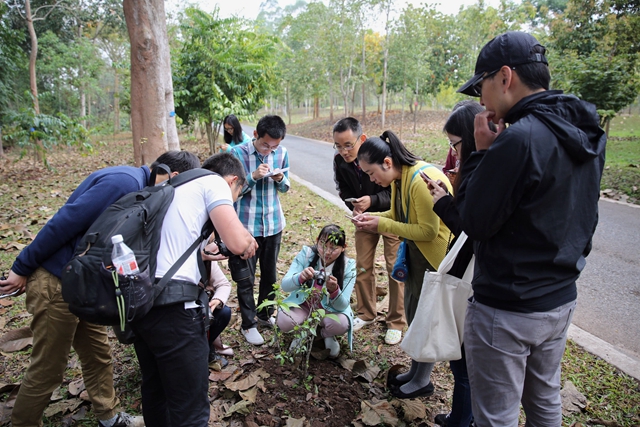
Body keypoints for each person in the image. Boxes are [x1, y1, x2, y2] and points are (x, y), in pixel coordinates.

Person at [455, 31, 606, 426]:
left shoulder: (518, 140)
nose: (481, 101)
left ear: (505, 77)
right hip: (560, 299)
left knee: (497, 416)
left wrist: (480, 154)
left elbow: (474, 221)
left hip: (508, 307)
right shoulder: (585, 130)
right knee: (545, 401)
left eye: (482, 86)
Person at [0, 150, 201, 427]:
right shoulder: (123, 183)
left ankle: (109, 417)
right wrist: (22, 267)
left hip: (85, 286)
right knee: (48, 369)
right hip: (56, 282)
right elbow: (65, 221)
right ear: (172, 176)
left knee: (98, 355)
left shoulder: (140, 189)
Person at [129, 152, 258, 427]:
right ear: (232, 181)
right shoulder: (214, 183)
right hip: (175, 311)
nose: (233, 202)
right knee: (190, 409)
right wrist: (247, 240)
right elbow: (238, 243)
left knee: (156, 389)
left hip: (140, 301)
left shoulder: (173, 189)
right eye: (236, 196)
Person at [352, 131, 452, 399]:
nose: (372, 180)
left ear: (387, 162)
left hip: (434, 259)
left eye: (372, 173)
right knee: (416, 315)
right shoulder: (400, 179)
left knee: (425, 318)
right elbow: (398, 215)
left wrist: (381, 224)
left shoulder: (420, 181)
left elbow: (428, 231)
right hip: (416, 256)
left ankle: (422, 380)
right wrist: (372, 218)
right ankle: (416, 373)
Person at [424, 100, 491, 427]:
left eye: (455, 144)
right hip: (473, 277)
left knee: (464, 363)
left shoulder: (484, 171)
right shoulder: (485, 167)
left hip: (473, 280)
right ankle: (463, 416)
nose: (453, 153)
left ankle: (462, 420)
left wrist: (443, 203)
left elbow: (471, 228)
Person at [332, 117, 405, 345]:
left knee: (395, 267)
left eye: (348, 145)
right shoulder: (340, 161)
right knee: (363, 266)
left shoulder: (380, 155)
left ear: (362, 139)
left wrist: (372, 200)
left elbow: (394, 192)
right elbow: (343, 189)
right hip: (364, 219)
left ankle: (396, 321)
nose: (344, 151)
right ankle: (366, 312)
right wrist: (353, 205)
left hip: (390, 217)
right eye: (338, 146)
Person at [231, 115, 290, 346]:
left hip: (273, 224)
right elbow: (232, 192)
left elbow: (285, 188)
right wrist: (253, 177)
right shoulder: (237, 154)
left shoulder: (282, 153)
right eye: (266, 145)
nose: (269, 150)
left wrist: (280, 178)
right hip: (246, 226)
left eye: (274, 146)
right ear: (255, 135)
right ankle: (248, 324)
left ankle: (265, 315)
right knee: (246, 278)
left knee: (270, 275)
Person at [276, 224, 356, 358]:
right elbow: (285, 285)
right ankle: (302, 332)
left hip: (330, 309)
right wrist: (300, 277)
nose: (327, 252)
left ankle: (327, 334)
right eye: (323, 245)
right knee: (284, 319)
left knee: (341, 324)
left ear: (343, 248)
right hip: (304, 305)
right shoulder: (306, 255)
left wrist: (334, 290)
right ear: (317, 240)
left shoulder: (349, 267)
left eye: (333, 248)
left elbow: (342, 305)